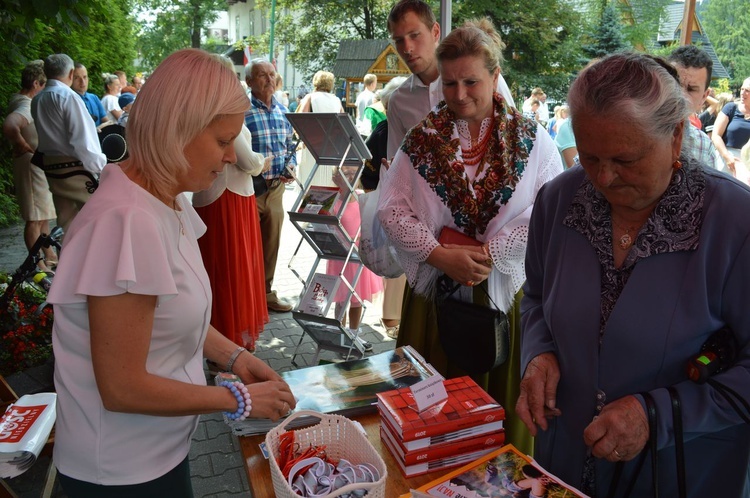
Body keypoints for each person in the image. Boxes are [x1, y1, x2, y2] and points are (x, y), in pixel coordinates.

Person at [48, 48, 296, 495]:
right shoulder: (126, 222)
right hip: (121, 471)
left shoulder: (169, 196)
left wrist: (238, 359)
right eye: (222, 142)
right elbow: (122, 387)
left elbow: (170, 311)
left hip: (157, 452)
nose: (228, 158)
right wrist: (237, 398)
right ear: (177, 128)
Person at [517, 52, 750, 497]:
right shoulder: (559, 201)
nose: (604, 177)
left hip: (680, 471)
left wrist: (659, 413)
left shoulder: (736, 224)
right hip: (563, 459)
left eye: (625, 159)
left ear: (676, 136)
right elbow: (536, 298)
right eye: (589, 157)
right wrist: (539, 354)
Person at [377, 18, 562, 457]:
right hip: (436, 298)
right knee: (432, 417)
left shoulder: (531, 141)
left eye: (471, 81)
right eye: (450, 82)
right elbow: (391, 207)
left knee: (496, 415)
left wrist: (490, 253)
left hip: (503, 296)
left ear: (495, 76)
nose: (459, 95)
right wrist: (439, 255)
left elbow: (551, 208)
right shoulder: (424, 139)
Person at [193, 54, 271, 353]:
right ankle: (229, 342)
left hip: (218, 194)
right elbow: (246, 159)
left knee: (222, 269)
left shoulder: (204, 109)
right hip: (229, 198)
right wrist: (263, 163)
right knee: (231, 270)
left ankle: (222, 339)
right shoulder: (222, 111)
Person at [385, 0, 516, 162]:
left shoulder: (482, 77)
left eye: (414, 35)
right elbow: (397, 164)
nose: (407, 48)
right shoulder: (399, 101)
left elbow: (514, 137)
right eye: (399, 40)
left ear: (435, 32)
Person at [31, 53, 107, 234]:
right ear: (71, 73)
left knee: (67, 222)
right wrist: (102, 168)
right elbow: (83, 141)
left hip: (53, 169)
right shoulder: (68, 97)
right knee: (99, 220)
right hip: (76, 170)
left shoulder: (37, 100)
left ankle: (68, 260)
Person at [244, 58, 298, 313]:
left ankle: (266, 294)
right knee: (245, 246)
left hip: (275, 188)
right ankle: (247, 296)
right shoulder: (241, 110)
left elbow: (290, 146)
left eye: (272, 74)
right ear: (249, 81)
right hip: (249, 189)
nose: (269, 79)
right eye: (262, 75)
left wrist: (291, 165)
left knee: (271, 243)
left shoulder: (282, 111)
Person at [2, 60, 57, 271]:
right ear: (36, 83)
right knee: (34, 218)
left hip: (35, 166)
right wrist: (23, 145)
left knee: (41, 215)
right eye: (43, 85)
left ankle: (49, 254)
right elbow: (9, 126)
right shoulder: (25, 104)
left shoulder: (20, 100)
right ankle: (39, 265)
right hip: (31, 167)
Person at [325, 167, 382, 352]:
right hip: (341, 258)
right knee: (342, 299)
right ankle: (339, 335)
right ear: (336, 178)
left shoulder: (360, 197)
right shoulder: (333, 202)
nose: (350, 177)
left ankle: (354, 334)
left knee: (357, 299)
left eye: (353, 173)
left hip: (359, 257)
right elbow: (328, 229)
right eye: (345, 173)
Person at [667, 45, 723, 170]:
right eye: (675, 84)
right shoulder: (635, 130)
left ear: (704, 96)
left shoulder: (704, 146)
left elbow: (709, 189)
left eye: (691, 89)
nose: (680, 95)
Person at [711, 77, 750, 177]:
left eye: (747, 90)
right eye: (742, 89)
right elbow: (716, 135)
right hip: (725, 160)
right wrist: (727, 156)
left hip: (746, 165)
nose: (742, 93)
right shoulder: (731, 108)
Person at [71, 63, 109, 129]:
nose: (82, 82)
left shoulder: (94, 98)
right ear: (70, 79)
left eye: (85, 77)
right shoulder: (69, 101)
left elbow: (107, 122)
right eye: (76, 78)